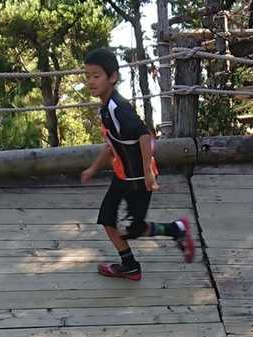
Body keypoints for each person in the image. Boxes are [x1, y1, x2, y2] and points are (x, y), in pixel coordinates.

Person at [79, 47, 196, 280]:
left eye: (96, 76)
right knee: (107, 219)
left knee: (132, 229)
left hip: (139, 179)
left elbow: (144, 135)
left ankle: (177, 229)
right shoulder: (106, 108)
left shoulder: (118, 108)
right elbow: (111, 145)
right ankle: (130, 266)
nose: (91, 81)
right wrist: (93, 168)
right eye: (87, 76)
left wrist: (147, 173)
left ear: (112, 77)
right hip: (122, 176)